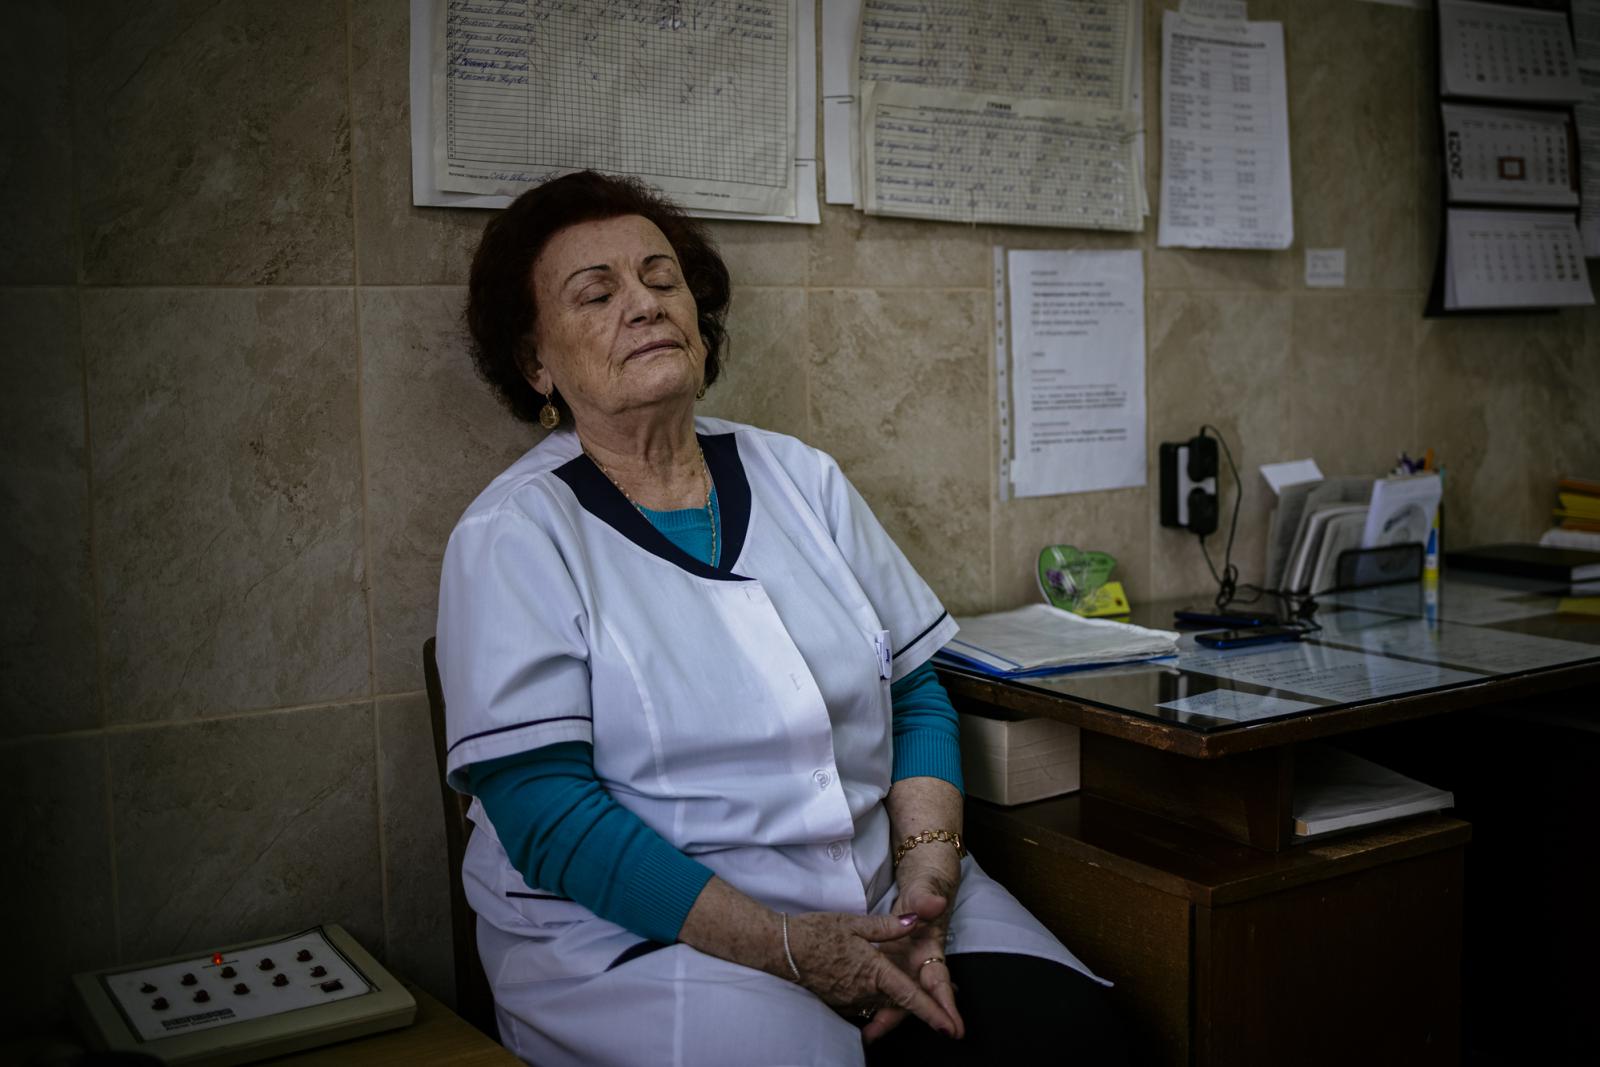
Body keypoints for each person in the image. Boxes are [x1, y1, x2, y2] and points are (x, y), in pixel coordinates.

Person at [436, 171, 1129, 1066]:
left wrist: (927, 882)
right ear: (537, 364)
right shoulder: (514, 533)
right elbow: (544, 811)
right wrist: (787, 945)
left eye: (661, 277)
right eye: (596, 294)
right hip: (648, 942)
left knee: (1079, 1041)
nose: (643, 304)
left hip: (888, 892)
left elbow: (913, 694)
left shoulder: (802, 478)